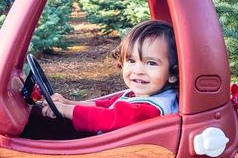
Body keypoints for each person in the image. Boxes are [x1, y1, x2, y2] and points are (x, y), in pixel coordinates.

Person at [41, 20, 178, 135]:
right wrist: (68, 103)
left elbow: (108, 117)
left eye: (151, 63)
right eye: (131, 61)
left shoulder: (151, 109)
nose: (138, 70)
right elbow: (106, 106)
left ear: (172, 74)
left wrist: (65, 110)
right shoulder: (142, 95)